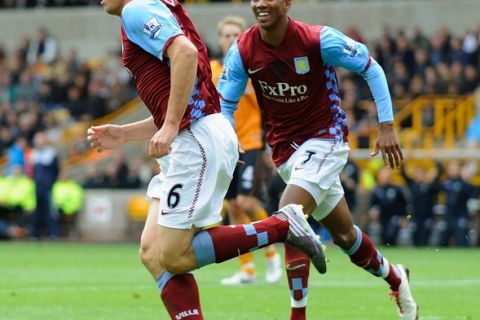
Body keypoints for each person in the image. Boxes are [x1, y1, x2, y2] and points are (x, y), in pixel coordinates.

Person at [87, 0, 326, 319]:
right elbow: (187, 91)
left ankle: (282, 225)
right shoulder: (154, 9)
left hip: (194, 138)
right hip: (195, 134)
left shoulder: (136, 9)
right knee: (152, 252)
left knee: (174, 255)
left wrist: (171, 126)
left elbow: (184, 54)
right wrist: (127, 133)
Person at [217, 0, 418, 318]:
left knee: (290, 216)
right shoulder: (243, 50)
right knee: (345, 236)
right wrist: (228, 145)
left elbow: (371, 67)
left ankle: (298, 314)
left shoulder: (318, 39)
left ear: (286, 4)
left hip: (326, 140)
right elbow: (225, 105)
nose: (259, 3)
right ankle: (397, 278)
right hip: (285, 154)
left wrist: (387, 126)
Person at [211, 15, 282, 285]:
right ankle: (247, 268)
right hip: (225, 145)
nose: (230, 39)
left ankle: (273, 252)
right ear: (219, 39)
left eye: (235, 34)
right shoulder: (211, 68)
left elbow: (270, 107)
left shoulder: (254, 68)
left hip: (250, 142)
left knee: (246, 202)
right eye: (226, 35)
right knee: (232, 207)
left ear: (243, 37)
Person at [31, 131, 60, 240]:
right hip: (37, 186)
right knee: (37, 211)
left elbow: (56, 170)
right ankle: (35, 235)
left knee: (50, 211)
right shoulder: (34, 153)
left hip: (49, 187)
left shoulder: (51, 153)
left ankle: (53, 234)